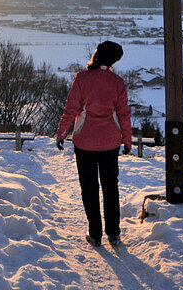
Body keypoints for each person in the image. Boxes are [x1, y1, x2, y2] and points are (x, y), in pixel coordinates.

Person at [55, 40, 133, 247]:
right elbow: (124, 114)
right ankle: (114, 233)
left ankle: (95, 234)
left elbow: (70, 109)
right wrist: (127, 140)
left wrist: (61, 133)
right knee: (110, 187)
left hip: (85, 143)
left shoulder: (81, 78)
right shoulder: (117, 82)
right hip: (110, 143)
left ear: (96, 54)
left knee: (89, 188)